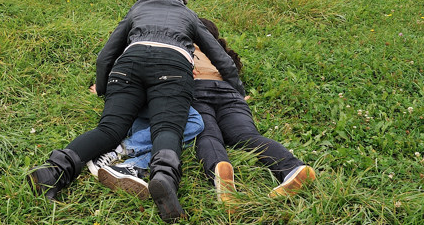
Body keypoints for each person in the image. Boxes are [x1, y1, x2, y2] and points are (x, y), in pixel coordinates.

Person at [28, 0, 245, 223]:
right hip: (172, 68)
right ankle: (163, 179)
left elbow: (105, 57)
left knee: (109, 129)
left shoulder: (136, 10)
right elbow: (222, 59)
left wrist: (103, 89)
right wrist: (238, 93)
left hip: (128, 67)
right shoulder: (188, 14)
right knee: (167, 128)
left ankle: (53, 171)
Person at [97, 17, 316, 208]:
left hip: (196, 92)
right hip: (229, 93)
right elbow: (230, 71)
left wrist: (104, 85)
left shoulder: (176, 46)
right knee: (248, 136)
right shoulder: (218, 54)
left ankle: (220, 170)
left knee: (207, 135)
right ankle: (293, 168)